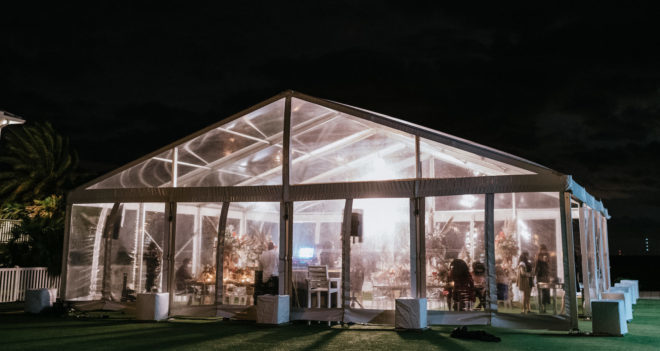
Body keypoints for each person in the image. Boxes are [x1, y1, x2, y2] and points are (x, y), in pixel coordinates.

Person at [534, 245, 551, 313]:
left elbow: (548, 266)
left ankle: (544, 308)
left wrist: (547, 261)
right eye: (543, 250)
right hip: (540, 277)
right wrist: (535, 275)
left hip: (546, 277)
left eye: (544, 249)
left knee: (545, 293)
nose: (544, 251)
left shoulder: (547, 256)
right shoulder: (538, 259)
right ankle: (541, 307)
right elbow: (536, 268)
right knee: (540, 293)